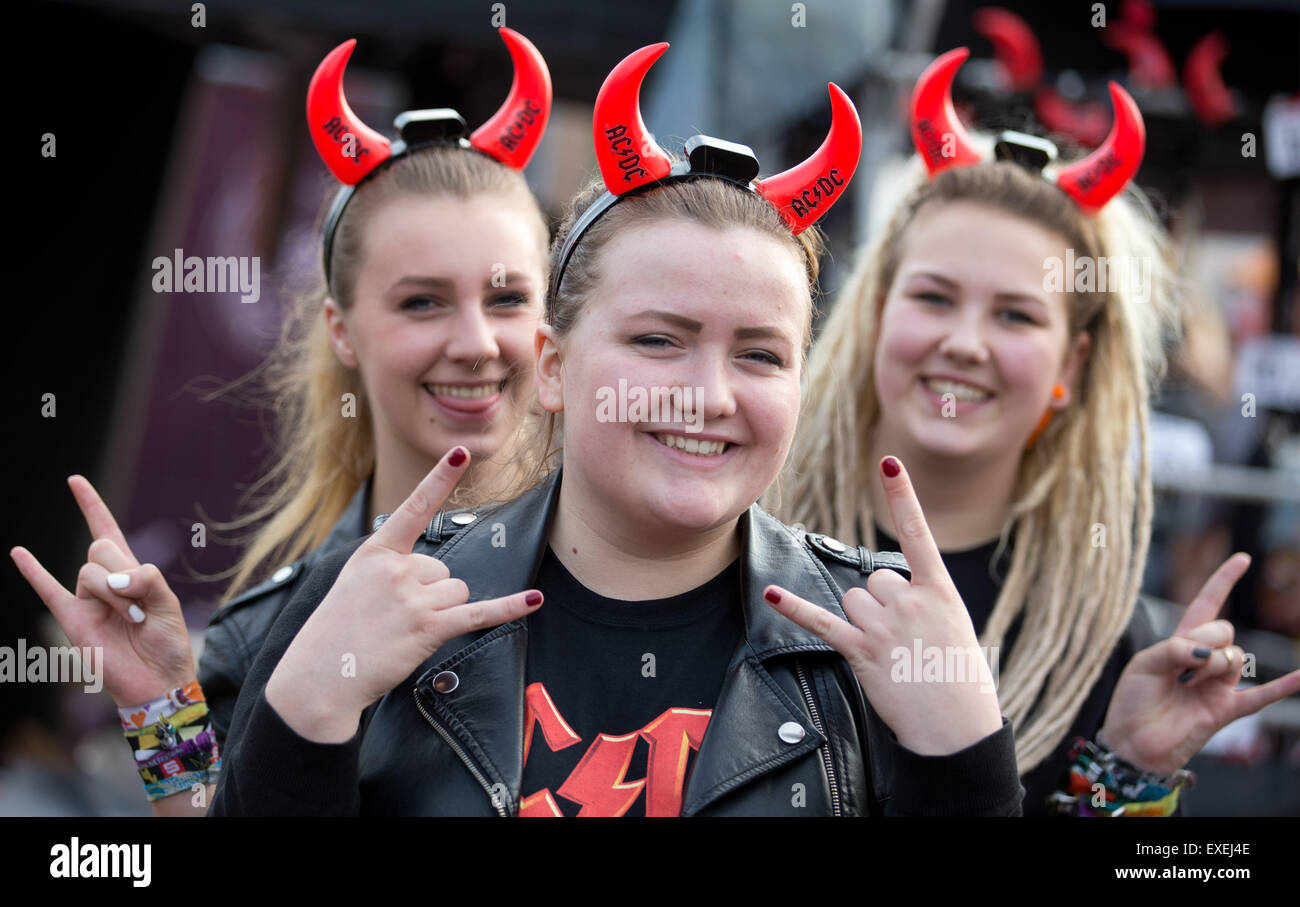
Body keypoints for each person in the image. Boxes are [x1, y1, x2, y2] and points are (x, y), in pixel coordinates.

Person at [210, 42, 1024, 817]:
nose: (708, 395)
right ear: (553, 366)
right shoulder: (369, 595)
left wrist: (967, 768)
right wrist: (305, 711)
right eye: (658, 341)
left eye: (759, 355)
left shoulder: (872, 640)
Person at [9, 27, 554, 816]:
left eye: (506, 298)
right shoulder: (266, 629)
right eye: (422, 301)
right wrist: (162, 707)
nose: (473, 344)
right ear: (340, 328)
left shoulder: (639, 578)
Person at [779, 47, 1300, 815]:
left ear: (1072, 360)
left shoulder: (1096, 637)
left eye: (1016, 313)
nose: (966, 341)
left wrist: (1126, 778)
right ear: (877, 309)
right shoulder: (740, 539)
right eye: (934, 296)